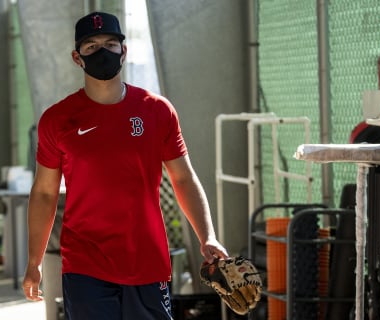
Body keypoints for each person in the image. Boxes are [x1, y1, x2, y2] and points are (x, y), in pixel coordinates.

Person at [22, 11, 228, 319]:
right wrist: (33, 262)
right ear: (77, 57)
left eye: (110, 43)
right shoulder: (57, 120)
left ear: (124, 51)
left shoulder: (157, 111)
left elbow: (183, 179)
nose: (102, 51)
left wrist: (207, 236)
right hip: (85, 265)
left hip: (148, 263)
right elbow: (44, 193)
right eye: (91, 46)